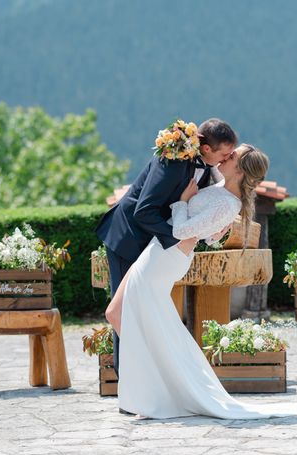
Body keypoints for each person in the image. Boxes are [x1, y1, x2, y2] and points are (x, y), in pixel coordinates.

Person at [106, 144, 297, 419]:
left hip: (165, 258)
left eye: (232, 156)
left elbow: (181, 230)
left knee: (122, 315)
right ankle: (160, 383)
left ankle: (158, 388)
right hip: (159, 252)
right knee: (119, 314)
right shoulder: (221, 191)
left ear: (239, 170)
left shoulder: (229, 203)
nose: (225, 157)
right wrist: (215, 231)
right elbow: (206, 235)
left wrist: (182, 200)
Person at [95, 118, 237, 378]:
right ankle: (126, 384)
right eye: (225, 154)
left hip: (156, 245)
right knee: (125, 311)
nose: (228, 158)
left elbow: (193, 214)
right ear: (207, 149)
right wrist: (177, 238)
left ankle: (152, 380)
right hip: (129, 238)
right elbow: (144, 212)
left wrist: (211, 233)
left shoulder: (208, 168)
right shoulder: (173, 160)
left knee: (146, 311)